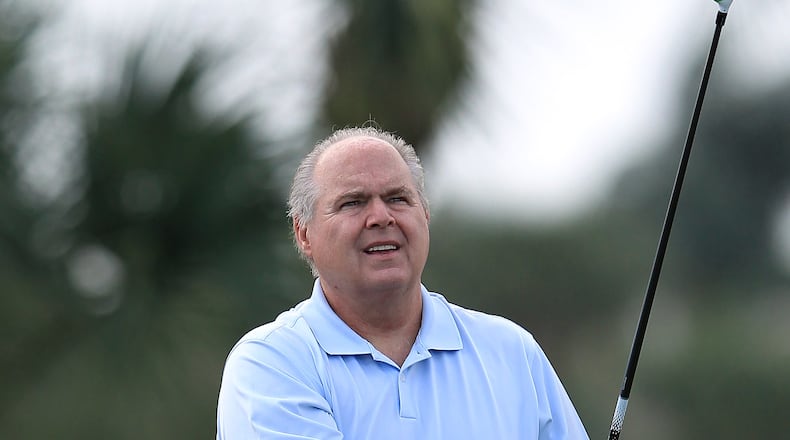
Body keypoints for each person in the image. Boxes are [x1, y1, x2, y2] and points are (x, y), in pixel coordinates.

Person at [216, 126, 590, 439]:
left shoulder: (512, 353)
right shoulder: (270, 364)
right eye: (352, 203)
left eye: (397, 198)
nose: (380, 216)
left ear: (425, 216)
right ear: (304, 234)